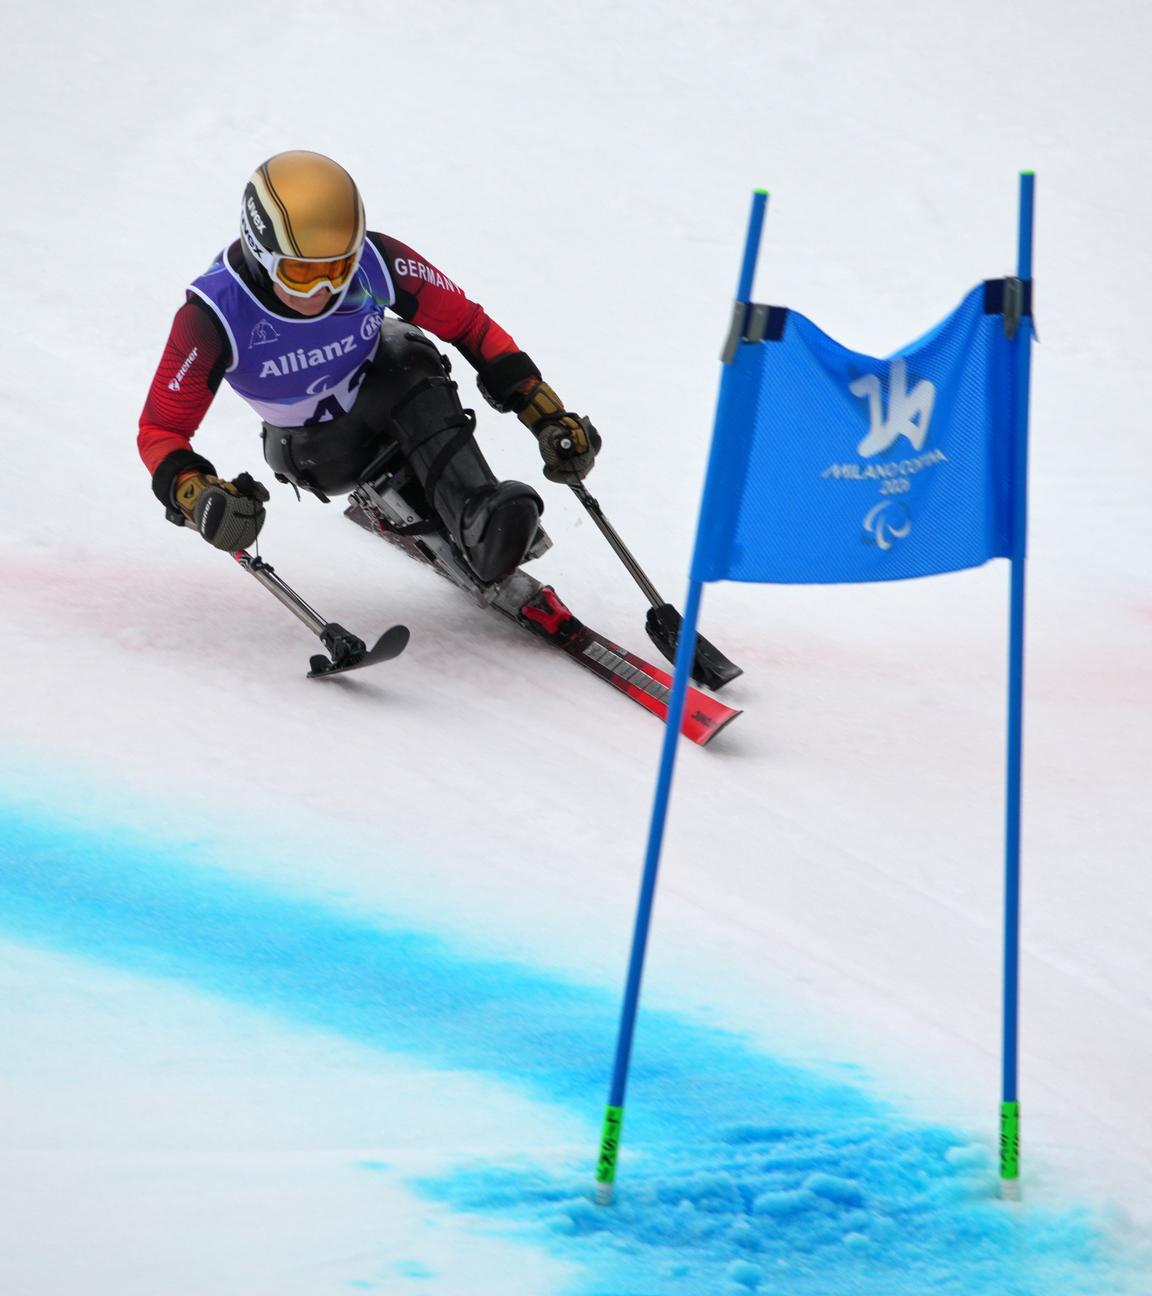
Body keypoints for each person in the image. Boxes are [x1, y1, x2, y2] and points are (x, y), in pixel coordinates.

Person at [138, 149, 600, 584]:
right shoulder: (214, 315)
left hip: (384, 389)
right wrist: (196, 494)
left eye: (340, 267)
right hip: (319, 449)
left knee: (408, 353)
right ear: (262, 256)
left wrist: (541, 408)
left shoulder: (377, 261)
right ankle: (455, 511)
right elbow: (161, 429)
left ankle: (478, 516)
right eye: (301, 274)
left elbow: (467, 324)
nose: (325, 288)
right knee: (403, 361)